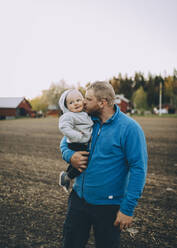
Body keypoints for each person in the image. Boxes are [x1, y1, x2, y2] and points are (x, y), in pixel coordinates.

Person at [60, 81, 148, 248]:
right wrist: (70, 156)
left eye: (88, 99)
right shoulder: (85, 120)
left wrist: (127, 209)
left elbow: (139, 169)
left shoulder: (129, 128)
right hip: (78, 200)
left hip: (109, 206)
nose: (83, 102)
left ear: (103, 102)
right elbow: (64, 143)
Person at [58, 89, 93, 192]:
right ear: (67, 107)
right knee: (83, 162)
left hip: (82, 141)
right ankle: (68, 176)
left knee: (79, 162)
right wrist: (77, 136)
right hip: (76, 142)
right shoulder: (68, 116)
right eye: (71, 102)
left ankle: (66, 175)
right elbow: (64, 128)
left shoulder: (84, 114)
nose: (76, 103)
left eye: (78, 100)